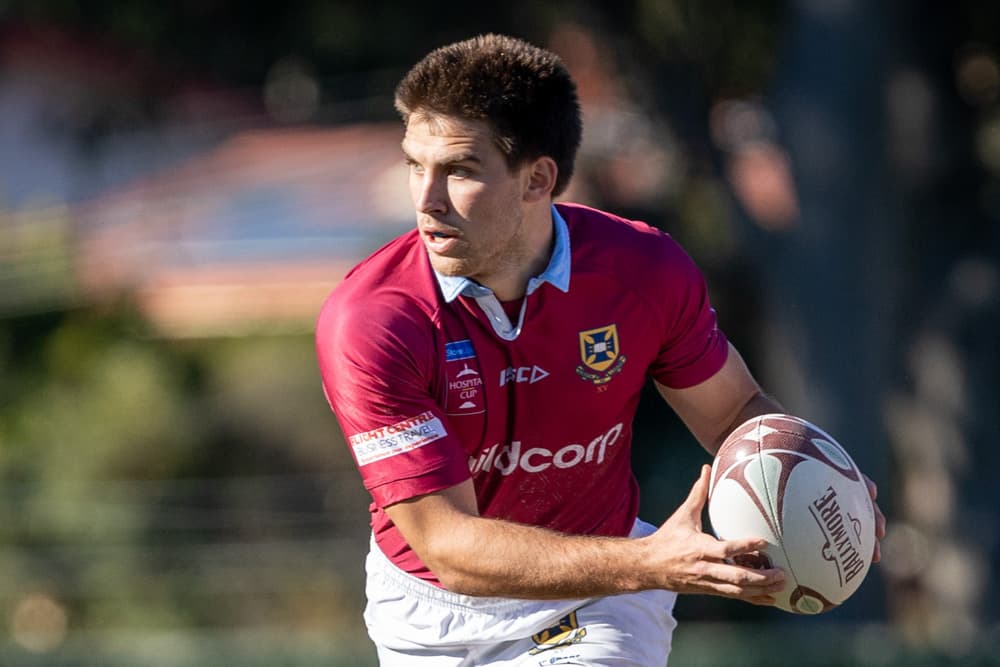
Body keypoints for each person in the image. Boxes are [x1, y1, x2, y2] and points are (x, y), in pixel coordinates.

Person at [316, 33, 885, 666]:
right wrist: (653, 561)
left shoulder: (643, 270)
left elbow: (733, 413)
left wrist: (820, 478)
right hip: (431, 613)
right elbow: (447, 546)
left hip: (602, 597)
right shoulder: (373, 321)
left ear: (537, 179)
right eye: (415, 165)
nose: (426, 200)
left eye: (459, 171)